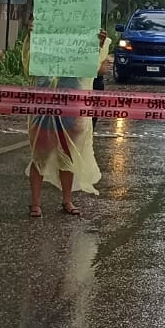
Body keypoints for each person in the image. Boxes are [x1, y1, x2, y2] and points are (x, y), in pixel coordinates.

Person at [26, 29, 113, 218]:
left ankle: (67, 200)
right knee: (40, 155)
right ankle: (35, 203)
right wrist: (32, 36)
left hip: (71, 108)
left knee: (68, 155)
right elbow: (28, 64)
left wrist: (96, 45)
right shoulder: (44, 47)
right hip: (43, 108)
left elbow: (94, 69)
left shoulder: (77, 51)